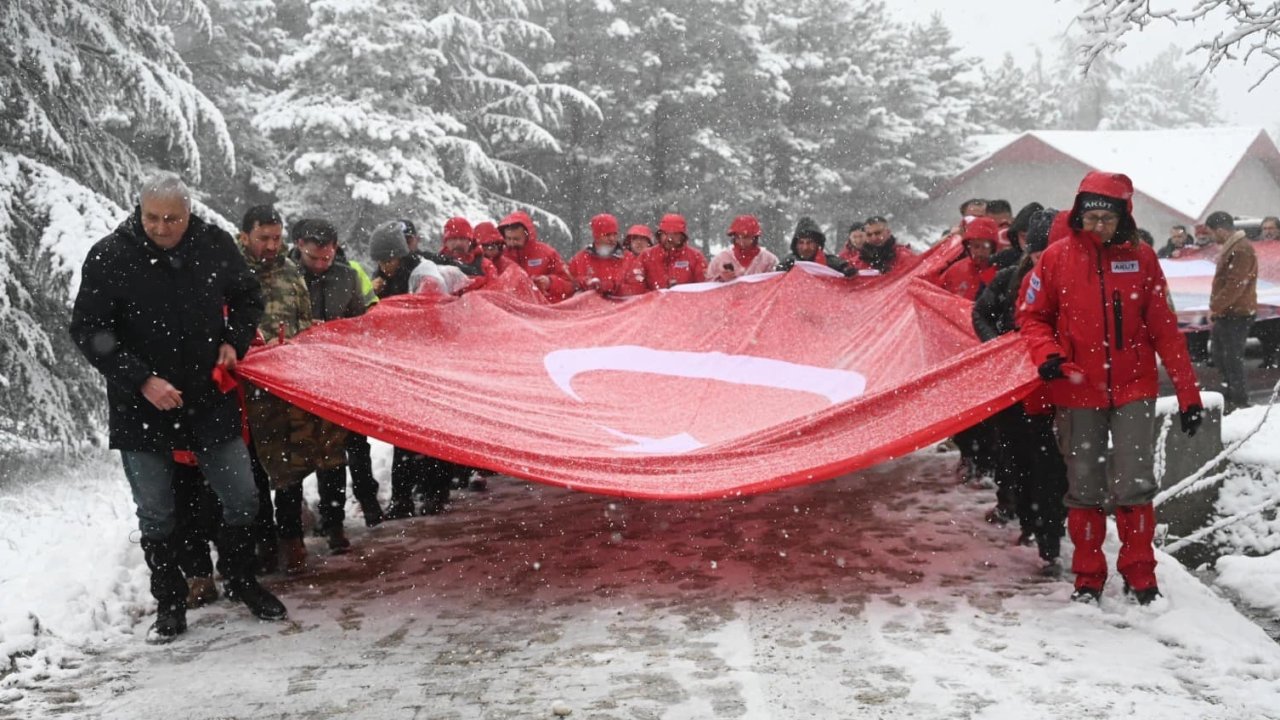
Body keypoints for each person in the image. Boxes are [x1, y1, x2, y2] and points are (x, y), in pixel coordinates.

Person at [69, 172, 286, 643]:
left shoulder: (213, 245)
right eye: (153, 217)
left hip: (208, 398)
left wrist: (234, 342)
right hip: (141, 406)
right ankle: (169, 602)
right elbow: (88, 330)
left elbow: (248, 297)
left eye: (173, 218)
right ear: (138, 210)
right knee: (157, 513)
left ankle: (242, 579)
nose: (163, 228)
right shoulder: (110, 256)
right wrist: (141, 379)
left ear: (189, 213)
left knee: (243, 498)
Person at [1018, 171, 1202, 606]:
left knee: (1135, 484)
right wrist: (1047, 354)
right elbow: (1032, 316)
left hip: (1134, 388)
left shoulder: (1141, 259)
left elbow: (1165, 331)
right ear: (1078, 214)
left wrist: (1188, 394)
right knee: (1083, 487)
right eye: (1091, 216)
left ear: (1124, 217)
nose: (1098, 226)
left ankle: (1140, 575)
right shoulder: (1056, 258)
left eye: (1107, 217)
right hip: (1077, 387)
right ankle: (1087, 576)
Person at [238, 205, 348, 573]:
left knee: (291, 466)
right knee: (253, 473)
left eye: (276, 237)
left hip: (287, 388)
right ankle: (263, 542)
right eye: (263, 238)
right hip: (245, 393)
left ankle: (291, 541)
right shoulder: (229, 273)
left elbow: (302, 323)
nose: (271, 245)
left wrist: (301, 340)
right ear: (245, 237)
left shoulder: (289, 272)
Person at [972, 209, 1067, 571]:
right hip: (1015, 388)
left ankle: (1048, 539)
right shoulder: (1011, 277)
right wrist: (1000, 348)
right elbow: (980, 313)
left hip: (1053, 389)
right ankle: (1030, 522)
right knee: (1017, 459)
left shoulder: (1072, 279)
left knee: (1048, 468)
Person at [290, 218, 383, 540]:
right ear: (300, 245)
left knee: (343, 451)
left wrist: (339, 330)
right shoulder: (283, 276)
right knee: (296, 453)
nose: (320, 264)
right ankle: (293, 526)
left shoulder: (347, 276)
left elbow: (362, 323)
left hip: (340, 377)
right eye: (314, 258)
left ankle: (336, 521)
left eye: (326, 258)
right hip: (295, 379)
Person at [1205, 211, 1258, 413]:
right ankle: (1230, 394)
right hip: (1230, 311)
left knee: (1231, 357)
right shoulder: (1235, 247)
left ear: (1220, 230)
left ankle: (1239, 399)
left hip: (1236, 313)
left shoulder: (1241, 249)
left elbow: (1235, 284)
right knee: (1221, 355)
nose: (1212, 237)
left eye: (1212, 233)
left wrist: (1216, 306)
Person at [497, 210, 576, 302]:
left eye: (516, 239)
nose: (511, 243)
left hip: (543, 310)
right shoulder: (500, 255)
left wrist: (550, 282)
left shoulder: (547, 253)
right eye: (508, 238)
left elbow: (570, 285)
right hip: (509, 309)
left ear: (527, 235)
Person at [568, 213, 633, 295]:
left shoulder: (629, 259)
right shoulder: (579, 260)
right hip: (588, 306)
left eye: (615, 234)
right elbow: (567, 284)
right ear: (596, 236)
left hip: (621, 306)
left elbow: (636, 288)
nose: (612, 239)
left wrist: (613, 287)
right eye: (607, 235)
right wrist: (581, 282)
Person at [638, 214, 708, 289]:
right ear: (660, 234)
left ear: (682, 236)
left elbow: (704, 287)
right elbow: (637, 286)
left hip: (686, 300)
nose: (669, 239)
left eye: (675, 234)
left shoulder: (695, 257)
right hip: (654, 300)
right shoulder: (646, 256)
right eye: (666, 234)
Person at [940, 217, 999, 300]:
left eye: (985, 247)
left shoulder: (1000, 272)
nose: (980, 252)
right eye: (976, 246)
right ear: (969, 246)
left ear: (993, 248)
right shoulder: (955, 270)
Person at [707, 215, 779, 281]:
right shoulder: (720, 259)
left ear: (755, 237)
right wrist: (720, 278)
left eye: (746, 237)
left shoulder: (769, 260)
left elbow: (777, 284)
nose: (741, 241)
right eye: (737, 237)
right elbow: (707, 285)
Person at [775, 217, 855, 276]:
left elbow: (845, 269)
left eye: (809, 243)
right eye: (801, 243)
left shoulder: (831, 263)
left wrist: (847, 271)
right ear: (795, 245)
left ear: (817, 244)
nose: (805, 247)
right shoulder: (787, 263)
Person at [851, 216, 917, 276]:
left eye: (877, 233)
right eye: (869, 234)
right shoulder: (856, 263)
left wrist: (892, 274)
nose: (873, 238)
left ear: (888, 232)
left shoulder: (904, 256)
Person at [1254, 216, 1280, 368]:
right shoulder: (1258, 248)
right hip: (1265, 295)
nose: (1268, 232)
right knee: (1265, 329)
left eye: (1271, 228)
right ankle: (1269, 357)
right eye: (1265, 229)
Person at [992, 202, 1044, 269]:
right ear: (1016, 236)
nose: (1027, 243)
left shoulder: (1052, 260)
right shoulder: (1003, 261)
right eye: (1023, 237)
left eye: (1033, 237)